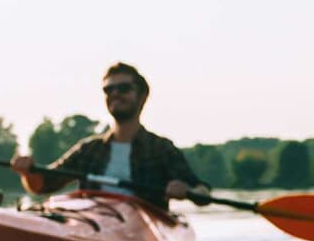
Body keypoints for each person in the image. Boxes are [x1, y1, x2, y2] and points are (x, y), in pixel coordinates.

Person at [11, 62, 211, 211]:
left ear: (142, 96)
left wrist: (187, 190)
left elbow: (202, 191)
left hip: (143, 224)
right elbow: (44, 184)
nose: (115, 94)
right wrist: (28, 172)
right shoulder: (89, 150)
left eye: (123, 88)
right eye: (109, 90)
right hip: (93, 220)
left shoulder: (161, 148)